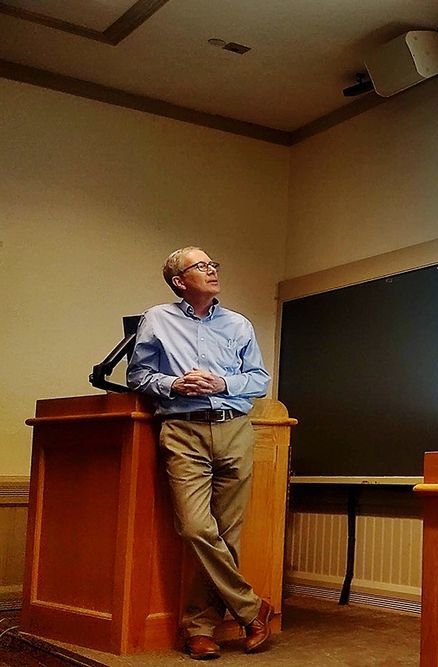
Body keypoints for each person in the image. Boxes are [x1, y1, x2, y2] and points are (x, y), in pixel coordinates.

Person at [127, 246, 273, 660]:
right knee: (194, 528)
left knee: (227, 537)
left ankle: (199, 628)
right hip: (183, 430)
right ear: (179, 282)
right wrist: (174, 385)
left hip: (235, 430)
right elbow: (137, 374)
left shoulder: (239, 324)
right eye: (200, 266)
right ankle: (252, 608)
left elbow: (259, 378)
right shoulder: (157, 318)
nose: (211, 270)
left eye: (213, 265)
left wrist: (221, 384)